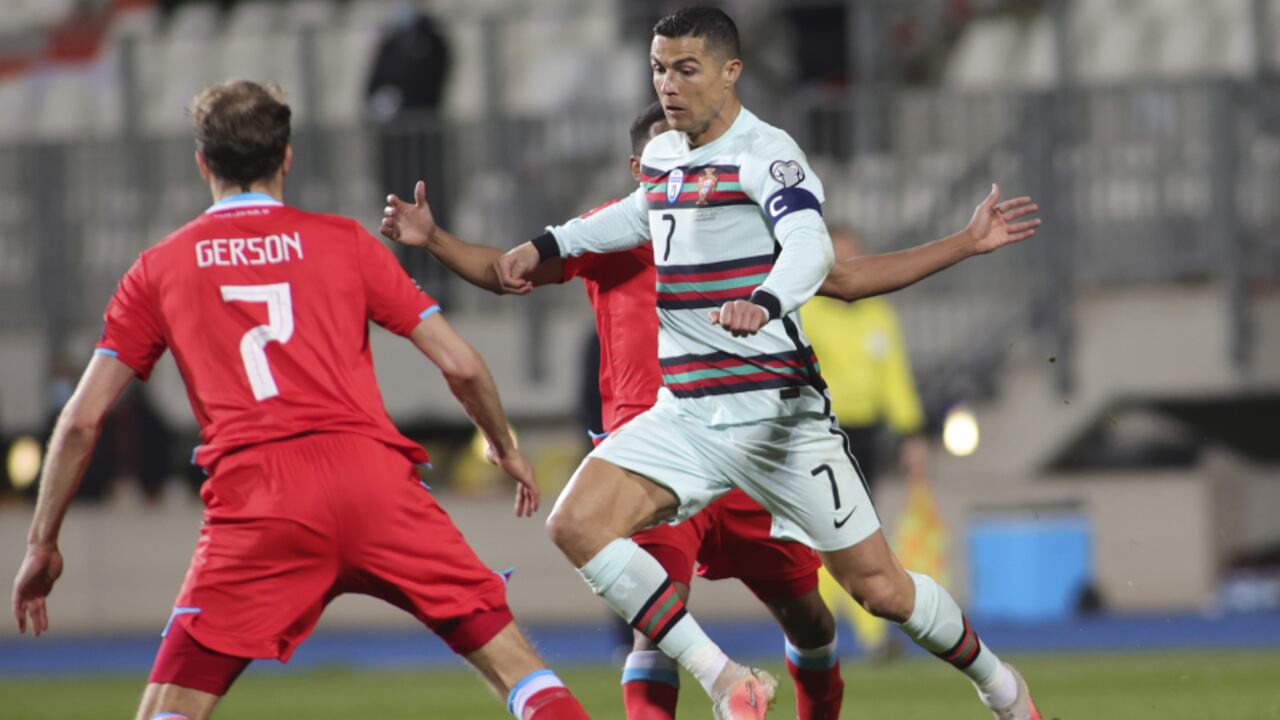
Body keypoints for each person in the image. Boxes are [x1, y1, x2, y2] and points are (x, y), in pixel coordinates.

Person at [488, 8, 1046, 719]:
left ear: (731, 72)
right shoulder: (664, 159)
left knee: (880, 591)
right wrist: (543, 245)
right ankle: (727, 680)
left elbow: (811, 247)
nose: (669, 85)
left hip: (778, 421)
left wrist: (767, 297)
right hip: (686, 417)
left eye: (686, 69)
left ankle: (1002, 687)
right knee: (573, 524)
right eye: (659, 69)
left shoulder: (768, 153)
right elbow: (632, 215)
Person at [11, 80, 589, 720]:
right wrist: (503, 444)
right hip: (374, 483)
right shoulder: (344, 241)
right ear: (287, 157)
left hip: (260, 503)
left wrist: (42, 544)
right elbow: (463, 365)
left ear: (202, 163)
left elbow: (81, 423)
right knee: (518, 669)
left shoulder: (159, 269)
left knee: (169, 709)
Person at [383, 102, 845, 720]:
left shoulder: (746, 218)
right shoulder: (611, 233)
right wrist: (434, 239)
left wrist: (961, 246)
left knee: (810, 619)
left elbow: (839, 275)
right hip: (658, 452)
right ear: (639, 166)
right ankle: (727, 687)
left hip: (749, 444)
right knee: (654, 623)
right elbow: (505, 271)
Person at [801, 226, 932, 661]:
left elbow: (895, 377)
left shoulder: (879, 316)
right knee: (832, 535)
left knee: (857, 533)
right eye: (840, 259)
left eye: (855, 259)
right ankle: (844, 633)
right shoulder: (807, 312)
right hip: (823, 432)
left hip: (868, 434)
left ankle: (846, 633)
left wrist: (911, 432)